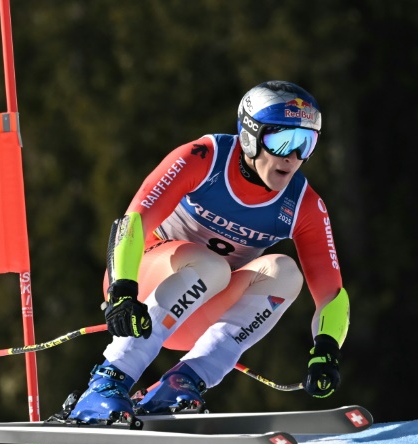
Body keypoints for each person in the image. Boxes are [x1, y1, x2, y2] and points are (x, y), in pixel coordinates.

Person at [64, 80, 350, 425]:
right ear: (250, 135)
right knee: (212, 266)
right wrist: (121, 288)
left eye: (306, 143)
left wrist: (327, 350)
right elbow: (132, 222)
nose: (292, 157)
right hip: (140, 285)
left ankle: (183, 381)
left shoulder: (303, 204)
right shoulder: (206, 158)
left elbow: (332, 294)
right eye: (282, 140)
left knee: (285, 272)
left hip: (198, 310)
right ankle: (108, 380)